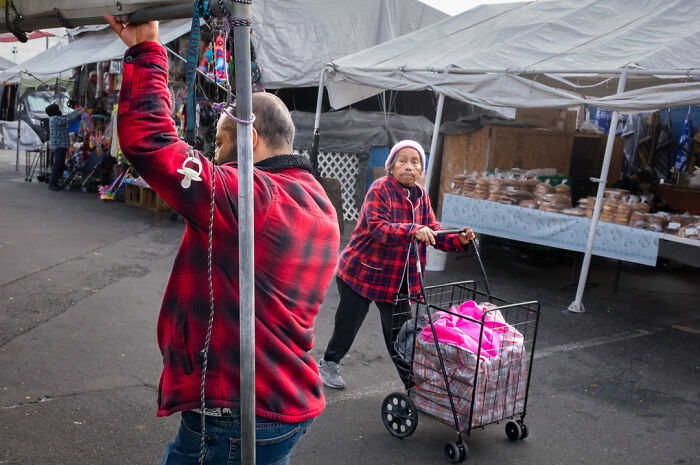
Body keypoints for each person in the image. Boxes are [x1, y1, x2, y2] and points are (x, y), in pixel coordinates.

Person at [104, 16, 340, 465]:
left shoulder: (252, 197)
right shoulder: (318, 202)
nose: (214, 155)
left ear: (247, 140)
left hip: (238, 411)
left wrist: (147, 49)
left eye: (219, 143)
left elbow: (148, 141)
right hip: (281, 401)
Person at [317, 140, 475, 390]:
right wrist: (414, 230)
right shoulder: (379, 189)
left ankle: (412, 386)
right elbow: (379, 228)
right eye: (402, 160)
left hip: (399, 281)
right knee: (348, 325)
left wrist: (458, 240)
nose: (409, 166)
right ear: (390, 167)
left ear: (421, 170)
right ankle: (329, 363)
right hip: (361, 273)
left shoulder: (422, 196)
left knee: (401, 336)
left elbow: (433, 231)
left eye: (415, 162)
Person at [45, 103, 82, 191]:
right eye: (58, 109)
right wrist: (79, 112)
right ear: (55, 111)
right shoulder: (55, 119)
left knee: (60, 163)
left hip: (61, 144)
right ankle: (52, 182)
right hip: (59, 144)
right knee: (58, 164)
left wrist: (77, 110)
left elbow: (67, 116)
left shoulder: (56, 118)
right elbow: (69, 119)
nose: (60, 110)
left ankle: (56, 180)